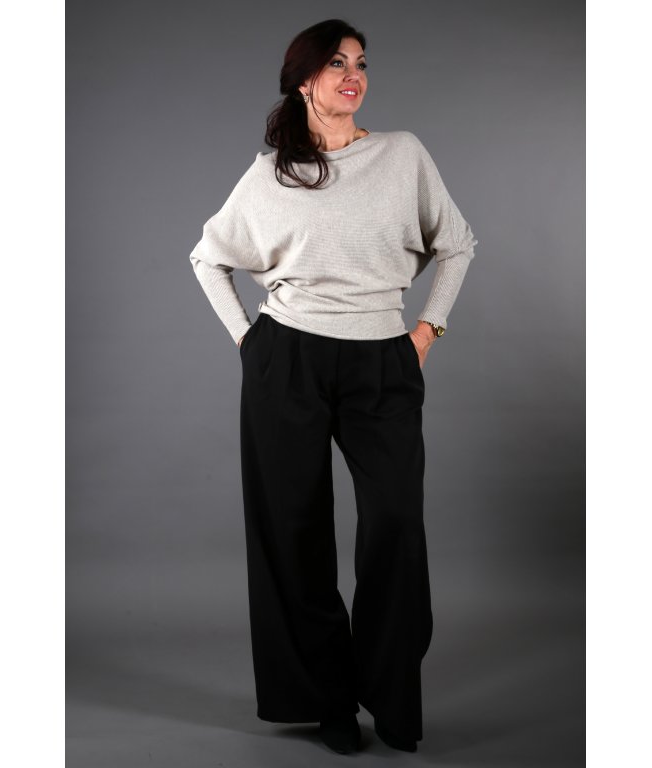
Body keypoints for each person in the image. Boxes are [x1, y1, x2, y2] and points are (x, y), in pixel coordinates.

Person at [188, 18, 477, 756]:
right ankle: (327, 701)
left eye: (361, 63)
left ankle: (391, 690)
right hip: (288, 359)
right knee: (294, 531)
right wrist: (249, 341)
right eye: (336, 64)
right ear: (304, 82)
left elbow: (457, 243)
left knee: (395, 526)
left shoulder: (402, 155)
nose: (353, 75)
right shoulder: (272, 173)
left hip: (383, 359)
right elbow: (208, 256)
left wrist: (427, 331)